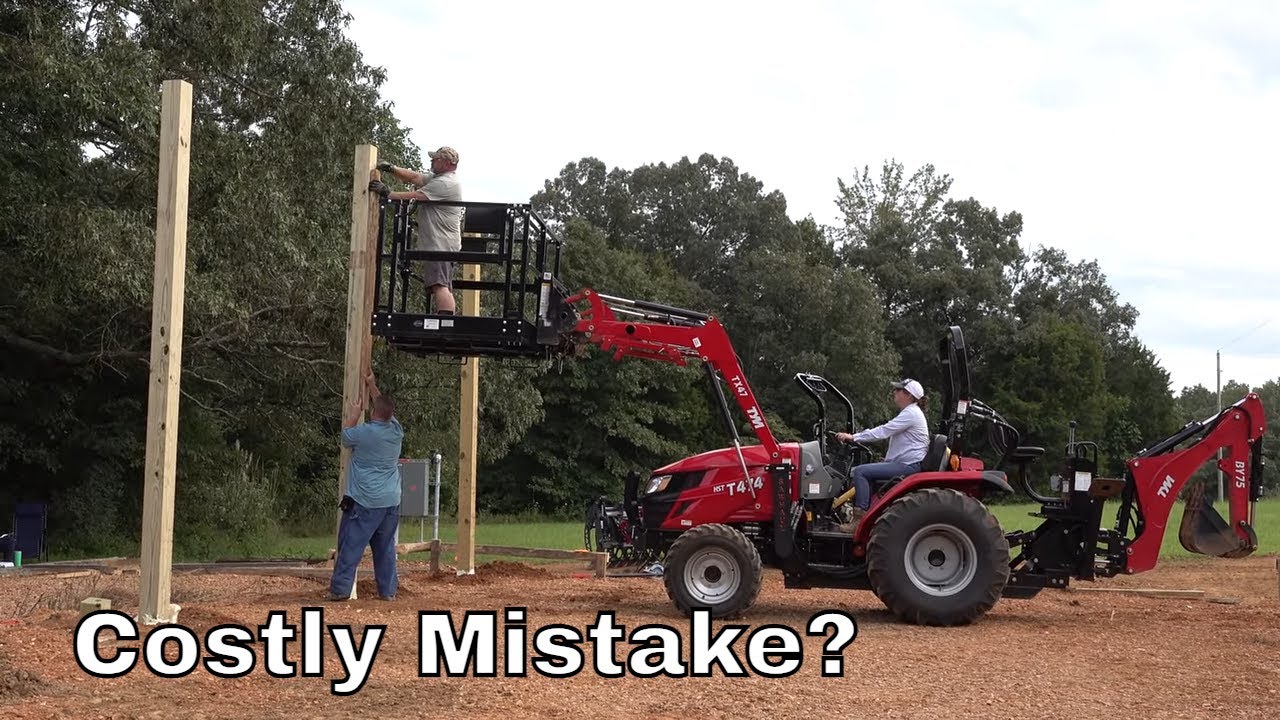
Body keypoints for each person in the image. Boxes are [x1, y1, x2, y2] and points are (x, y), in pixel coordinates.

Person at [326, 370, 405, 601]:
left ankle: (340, 590)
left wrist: (353, 413)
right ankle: (388, 592)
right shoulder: (396, 432)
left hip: (365, 501)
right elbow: (383, 406)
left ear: (372, 412)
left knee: (351, 544)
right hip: (391, 502)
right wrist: (372, 385)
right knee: (385, 549)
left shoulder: (364, 434)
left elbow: (345, 436)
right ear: (391, 415)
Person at [368, 147, 463, 314]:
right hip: (442, 244)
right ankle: (446, 321)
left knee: (439, 285)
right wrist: (393, 168)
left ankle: (446, 323)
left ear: (448, 163)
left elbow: (416, 196)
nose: (432, 161)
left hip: (440, 244)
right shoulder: (439, 178)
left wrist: (388, 193)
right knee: (441, 284)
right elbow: (415, 177)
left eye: (436, 159)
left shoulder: (445, 183)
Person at [835, 378, 930, 523]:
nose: (894, 393)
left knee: (860, 472)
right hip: (907, 463)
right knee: (868, 473)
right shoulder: (911, 412)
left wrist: (853, 437)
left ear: (908, 395)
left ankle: (858, 521)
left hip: (909, 465)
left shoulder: (911, 413)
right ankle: (866, 515)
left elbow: (883, 431)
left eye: (898, 390)